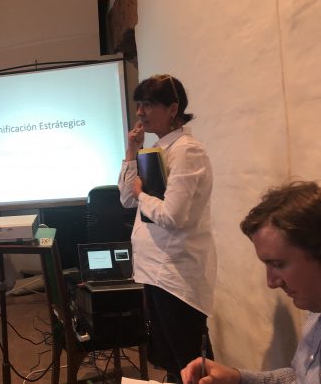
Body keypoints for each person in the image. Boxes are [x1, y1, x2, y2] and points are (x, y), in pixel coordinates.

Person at [118, 74, 216, 380]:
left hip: (176, 274)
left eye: (148, 104)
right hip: (155, 271)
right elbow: (125, 199)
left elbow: (173, 217)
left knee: (191, 364)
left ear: (173, 109)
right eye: (138, 105)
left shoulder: (187, 151)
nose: (139, 112)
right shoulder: (156, 151)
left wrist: (141, 194)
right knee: (172, 362)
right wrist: (132, 152)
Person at [182, 180, 321, 384]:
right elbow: (300, 378)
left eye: (279, 264)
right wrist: (236, 377)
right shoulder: (314, 313)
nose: (271, 282)